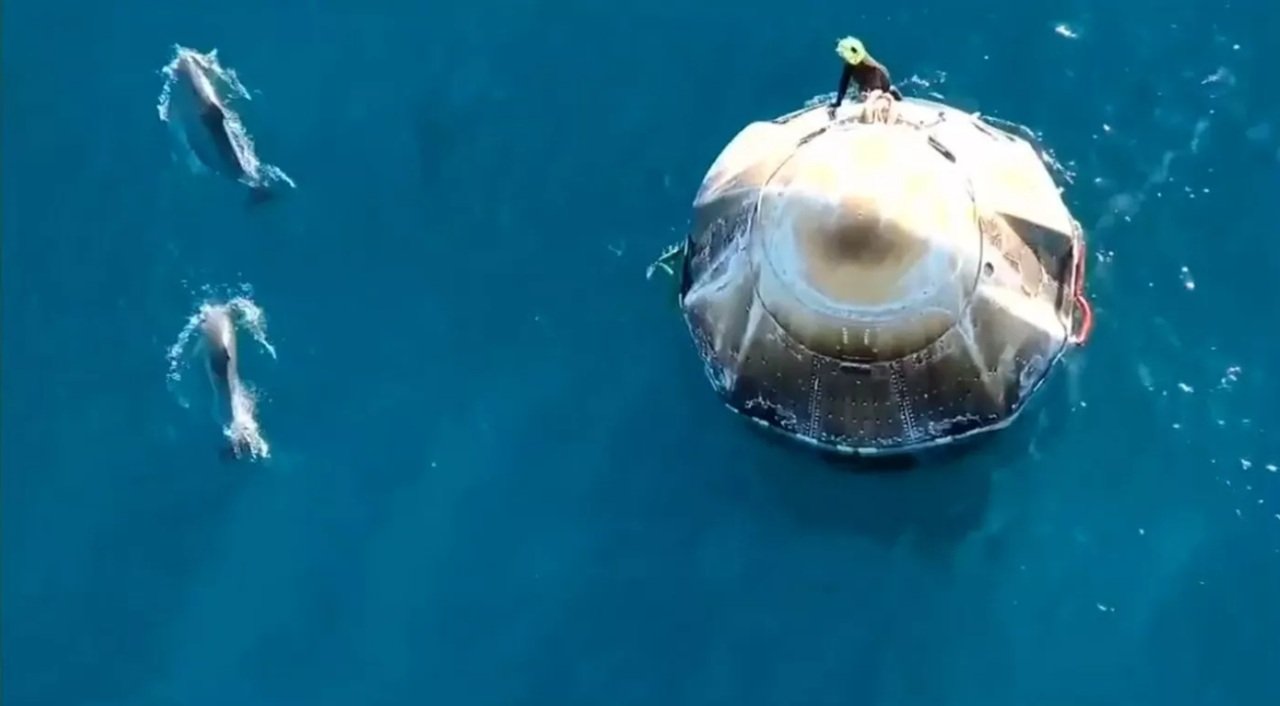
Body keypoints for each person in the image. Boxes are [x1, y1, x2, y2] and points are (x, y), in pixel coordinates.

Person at [828, 36, 903, 118]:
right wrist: (838, 102)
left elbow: (876, 88)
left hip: (878, 83)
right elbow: (843, 83)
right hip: (866, 83)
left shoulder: (873, 69)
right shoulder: (850, 65)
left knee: (873, 93)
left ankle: (890, 92)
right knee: (859, 91)